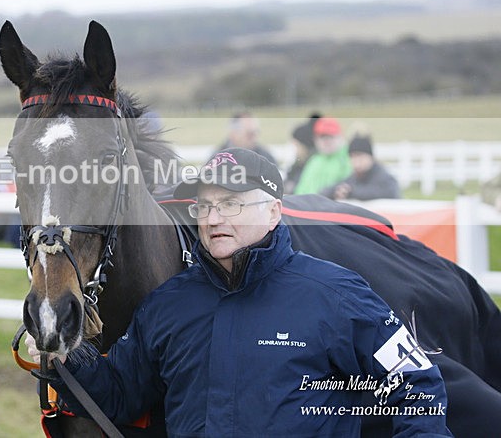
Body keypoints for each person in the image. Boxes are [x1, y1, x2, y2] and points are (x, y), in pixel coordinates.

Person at [27, 148, 452, 437]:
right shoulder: (167, 305)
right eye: (205, 206)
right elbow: (119, 394)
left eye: (230, 204)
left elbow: (416, 383)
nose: (213, 218)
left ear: (273, 211)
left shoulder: (337, 294)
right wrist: (69, 355)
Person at [321, 135, 401, 201]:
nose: (356, 161)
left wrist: (353, 192)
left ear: (370, 157)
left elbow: (389, 193)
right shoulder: (354, 178)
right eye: (353, 157)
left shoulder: (383, 177)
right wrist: (337, 191)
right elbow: (326, 191)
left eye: (360, 156)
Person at [293, 116, 352, 195]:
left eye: (330, 137)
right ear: (315, 139)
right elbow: (301, 189)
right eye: (322, 137)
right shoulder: (314, 160)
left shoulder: (349, 159)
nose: (326, 142)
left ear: (340, 137)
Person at [212, 111, 277, 164]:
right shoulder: (218, 157)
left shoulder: (265, 157)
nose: (253, 138)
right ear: (233, 133)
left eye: (255, 132)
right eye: (248, 134)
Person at [284, 113, 321, 194]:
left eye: (296, 145)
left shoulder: (311, 165)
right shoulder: (298, 164)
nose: (294, 150)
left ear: (304, 146)